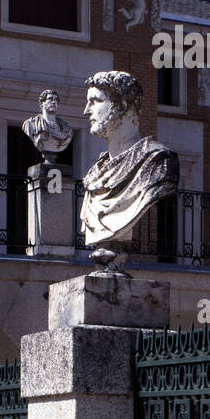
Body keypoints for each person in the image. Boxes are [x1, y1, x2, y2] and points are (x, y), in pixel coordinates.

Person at [78, 71, 178, 271]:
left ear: (122, 105)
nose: (86, 111)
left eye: (95, 101)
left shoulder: (157, 161)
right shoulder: (95, 173)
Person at [21, 89, 74, 164]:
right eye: (50, 99)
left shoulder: (67, 129)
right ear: (42, 103)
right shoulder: (30, 124)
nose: (54, 102)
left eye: (56, 100)